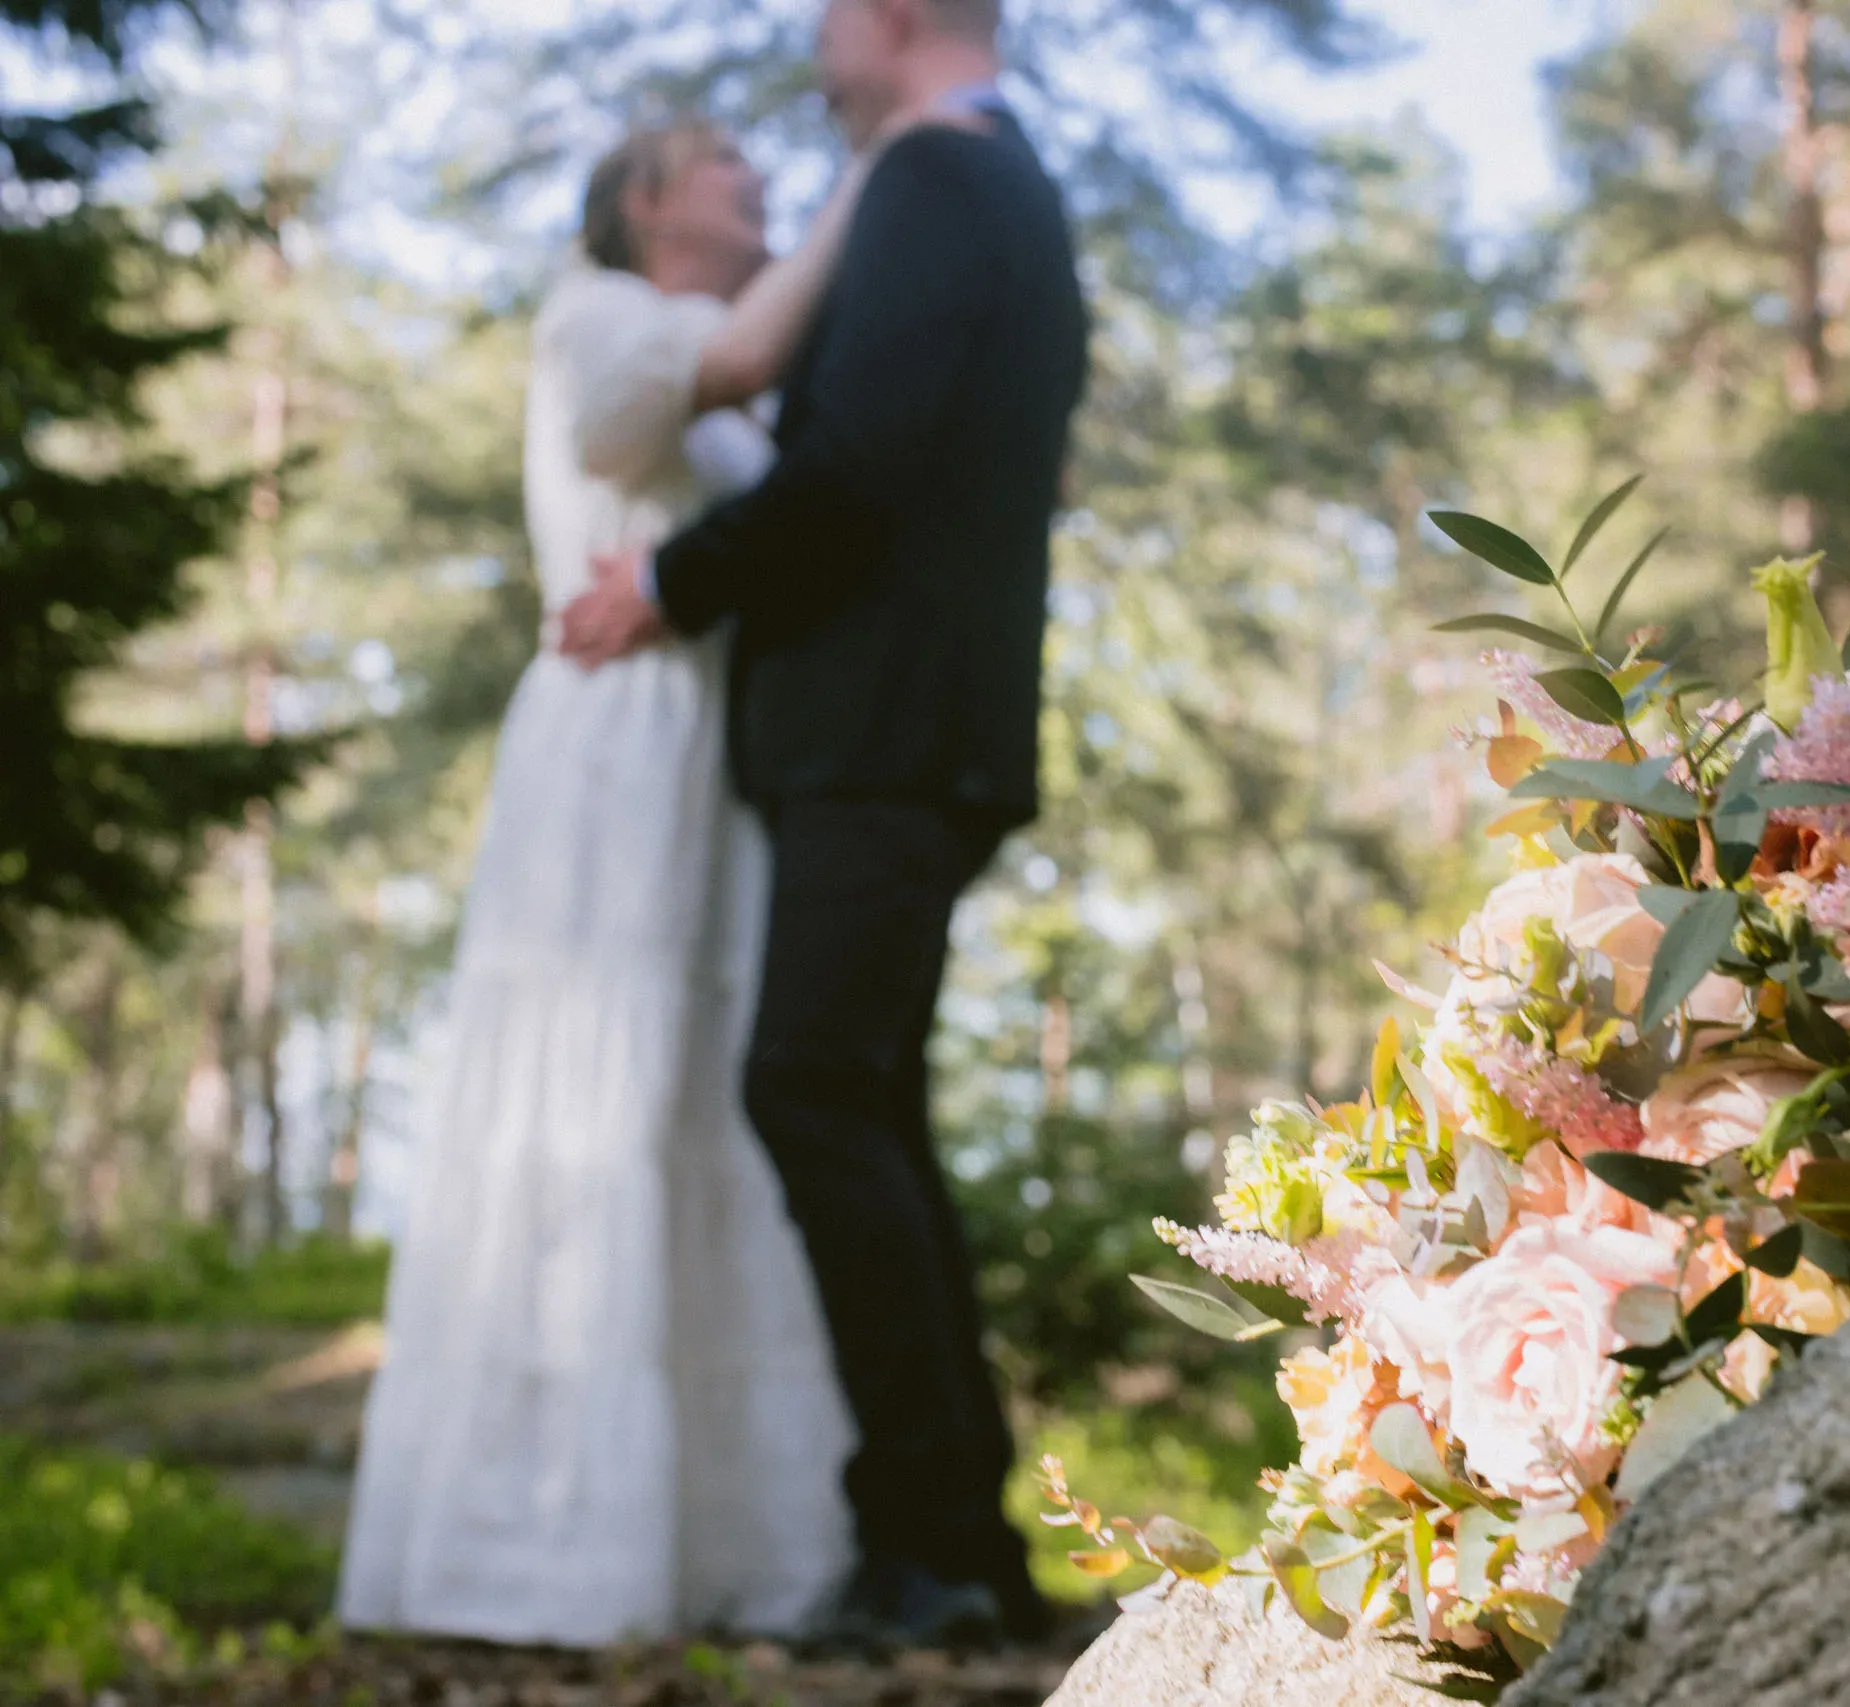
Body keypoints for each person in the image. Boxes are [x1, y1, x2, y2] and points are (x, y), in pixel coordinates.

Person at [558, 0, 1090, 1651]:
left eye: (826, 16)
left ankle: (929, 1546)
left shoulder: (943, 177)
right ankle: (957, 1542)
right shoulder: (985, 178)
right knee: (862, 1098)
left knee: (811, 1086)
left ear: (900, 15)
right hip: (916, 732)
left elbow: (855, 467)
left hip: (882, 730)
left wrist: (668, 578)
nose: (808, 48)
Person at [336, 123, 871, 1645]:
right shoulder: (606, 316)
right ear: (647, 204)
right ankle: (542, 1543)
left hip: (722, 747)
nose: (754, 177)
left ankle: (726, 1541)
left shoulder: (727, 340)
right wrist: (874, 178)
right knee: (597, 1092)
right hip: (618, 742)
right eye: (721, 162)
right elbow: (652, 406)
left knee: (709, 1092)